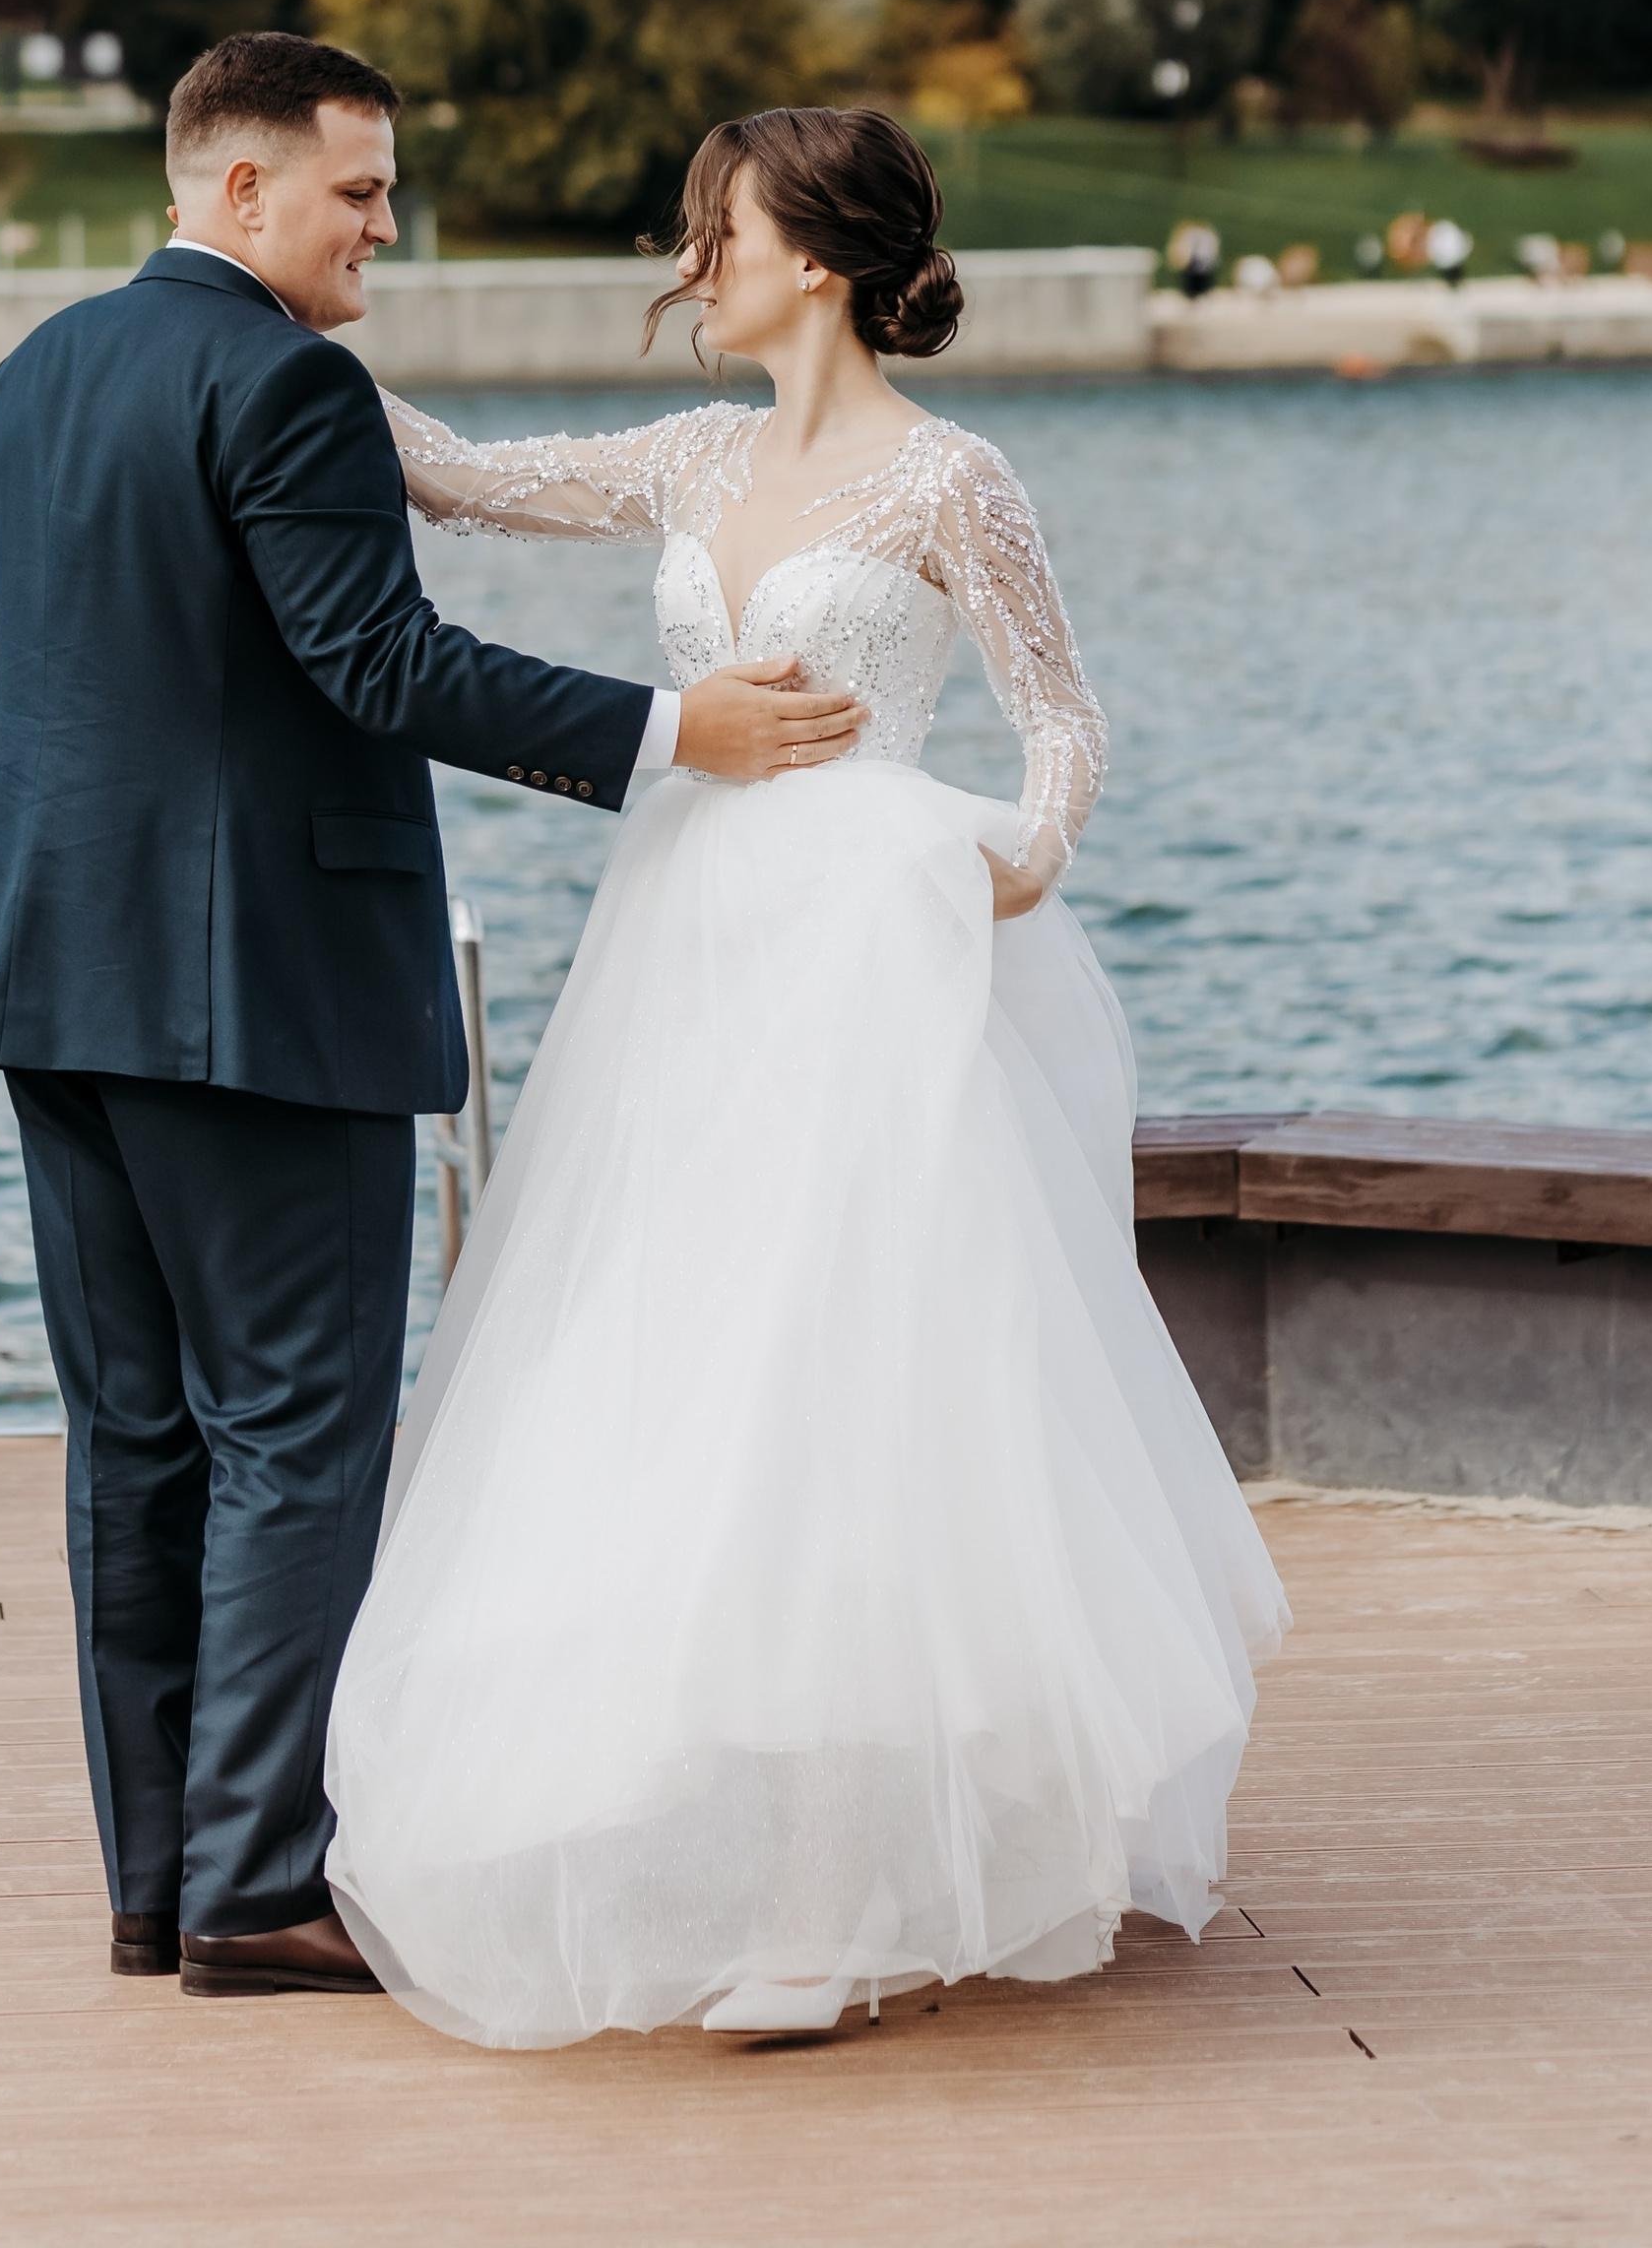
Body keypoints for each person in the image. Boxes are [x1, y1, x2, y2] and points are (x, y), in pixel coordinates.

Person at [325, 104, 1290, 2045]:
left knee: (852, 1386)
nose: (692, 265)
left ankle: (839, 1899)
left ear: (815, 264)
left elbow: (1059, 731)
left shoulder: (953, 484)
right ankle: (729, 1826)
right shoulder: (686, 457)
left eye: (718, 230)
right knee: (690, 1375)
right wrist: (291, 331)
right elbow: (452, 479)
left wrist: (992, 873)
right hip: (684, 961)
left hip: (869, 962)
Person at [0, 33, 862, 1996]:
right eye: (356, 190)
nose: (385, 224)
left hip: (46, 968)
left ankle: (157, 1883)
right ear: (240, 189)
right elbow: (380, 664)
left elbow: (23, 676)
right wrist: (663, 728)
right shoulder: (285, 381)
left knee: (134, 1444)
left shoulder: (33, 375)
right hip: (257, 991)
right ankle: (259, 1887)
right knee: (291, 1428)